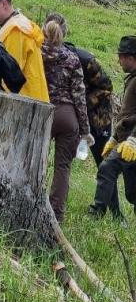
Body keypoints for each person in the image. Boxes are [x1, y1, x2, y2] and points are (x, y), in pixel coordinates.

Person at [44, 12, 118, 213]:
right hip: (72, 113)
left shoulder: (84, 58)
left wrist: (85, 111)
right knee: (63, 166)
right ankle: (57, 212)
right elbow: (76, 94)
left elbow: (106, 87)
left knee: (103, 161)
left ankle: (112, 210)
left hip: (97, 113)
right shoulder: (70, 57)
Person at [41, 19, 93, 223]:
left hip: (41, 112)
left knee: (37, 162)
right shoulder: (72, 59)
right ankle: (56, 217)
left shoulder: (36, 52)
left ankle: (32, 205)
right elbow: (80, 96)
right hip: (67, 116)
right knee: (62, 168)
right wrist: (85, 130)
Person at [88, 36, 136, 219]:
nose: (119, 60)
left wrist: (133, 139)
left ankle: (98, 211)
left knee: (107, 167)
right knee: (133, 192)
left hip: (132, 141)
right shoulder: (132, 78)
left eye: (121, 56)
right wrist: (115, 137)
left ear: (130, 57)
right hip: (126, 139)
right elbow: (128, 114)